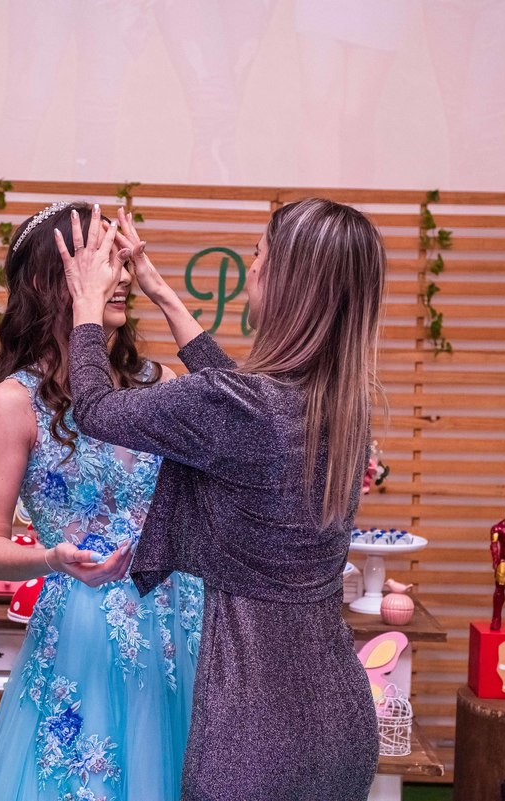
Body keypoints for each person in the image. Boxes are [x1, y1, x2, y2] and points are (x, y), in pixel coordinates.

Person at [58, 200, 383, 800]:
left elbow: (97, 411)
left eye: (258, 254)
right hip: (340, 721)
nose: (250, 267)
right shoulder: (338, 409)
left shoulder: (245, 410)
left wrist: (85, 305)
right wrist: (160, 292)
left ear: (286, 281)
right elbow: (236, 402)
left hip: (255, 731)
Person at [0, 201, 204, 801]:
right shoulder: (13, 404)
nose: (120, 277)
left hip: (179, 623)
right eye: (103, 261)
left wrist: (162, 292)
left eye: (121, 261)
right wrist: (52, 559)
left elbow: (230, 422)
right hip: (85, 630)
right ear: (49, 280)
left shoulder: (161, 384)